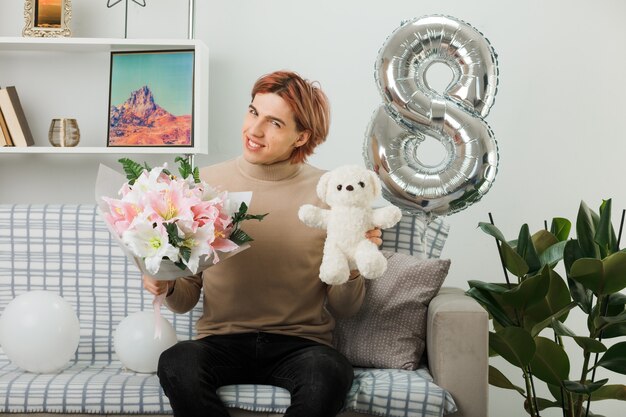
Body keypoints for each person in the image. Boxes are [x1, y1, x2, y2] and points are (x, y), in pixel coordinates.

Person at [143, 70, 383, 417]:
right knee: (177, 362)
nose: (254, 130)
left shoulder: (331, 193)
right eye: (253, 112)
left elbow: (345, 308)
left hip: (302, 345)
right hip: (220, 342)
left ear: (301, 137)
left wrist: (354, 260)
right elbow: (186, 299)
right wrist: (166, 283)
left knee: (330, 373)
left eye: (274, 123)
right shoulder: (204, 184)